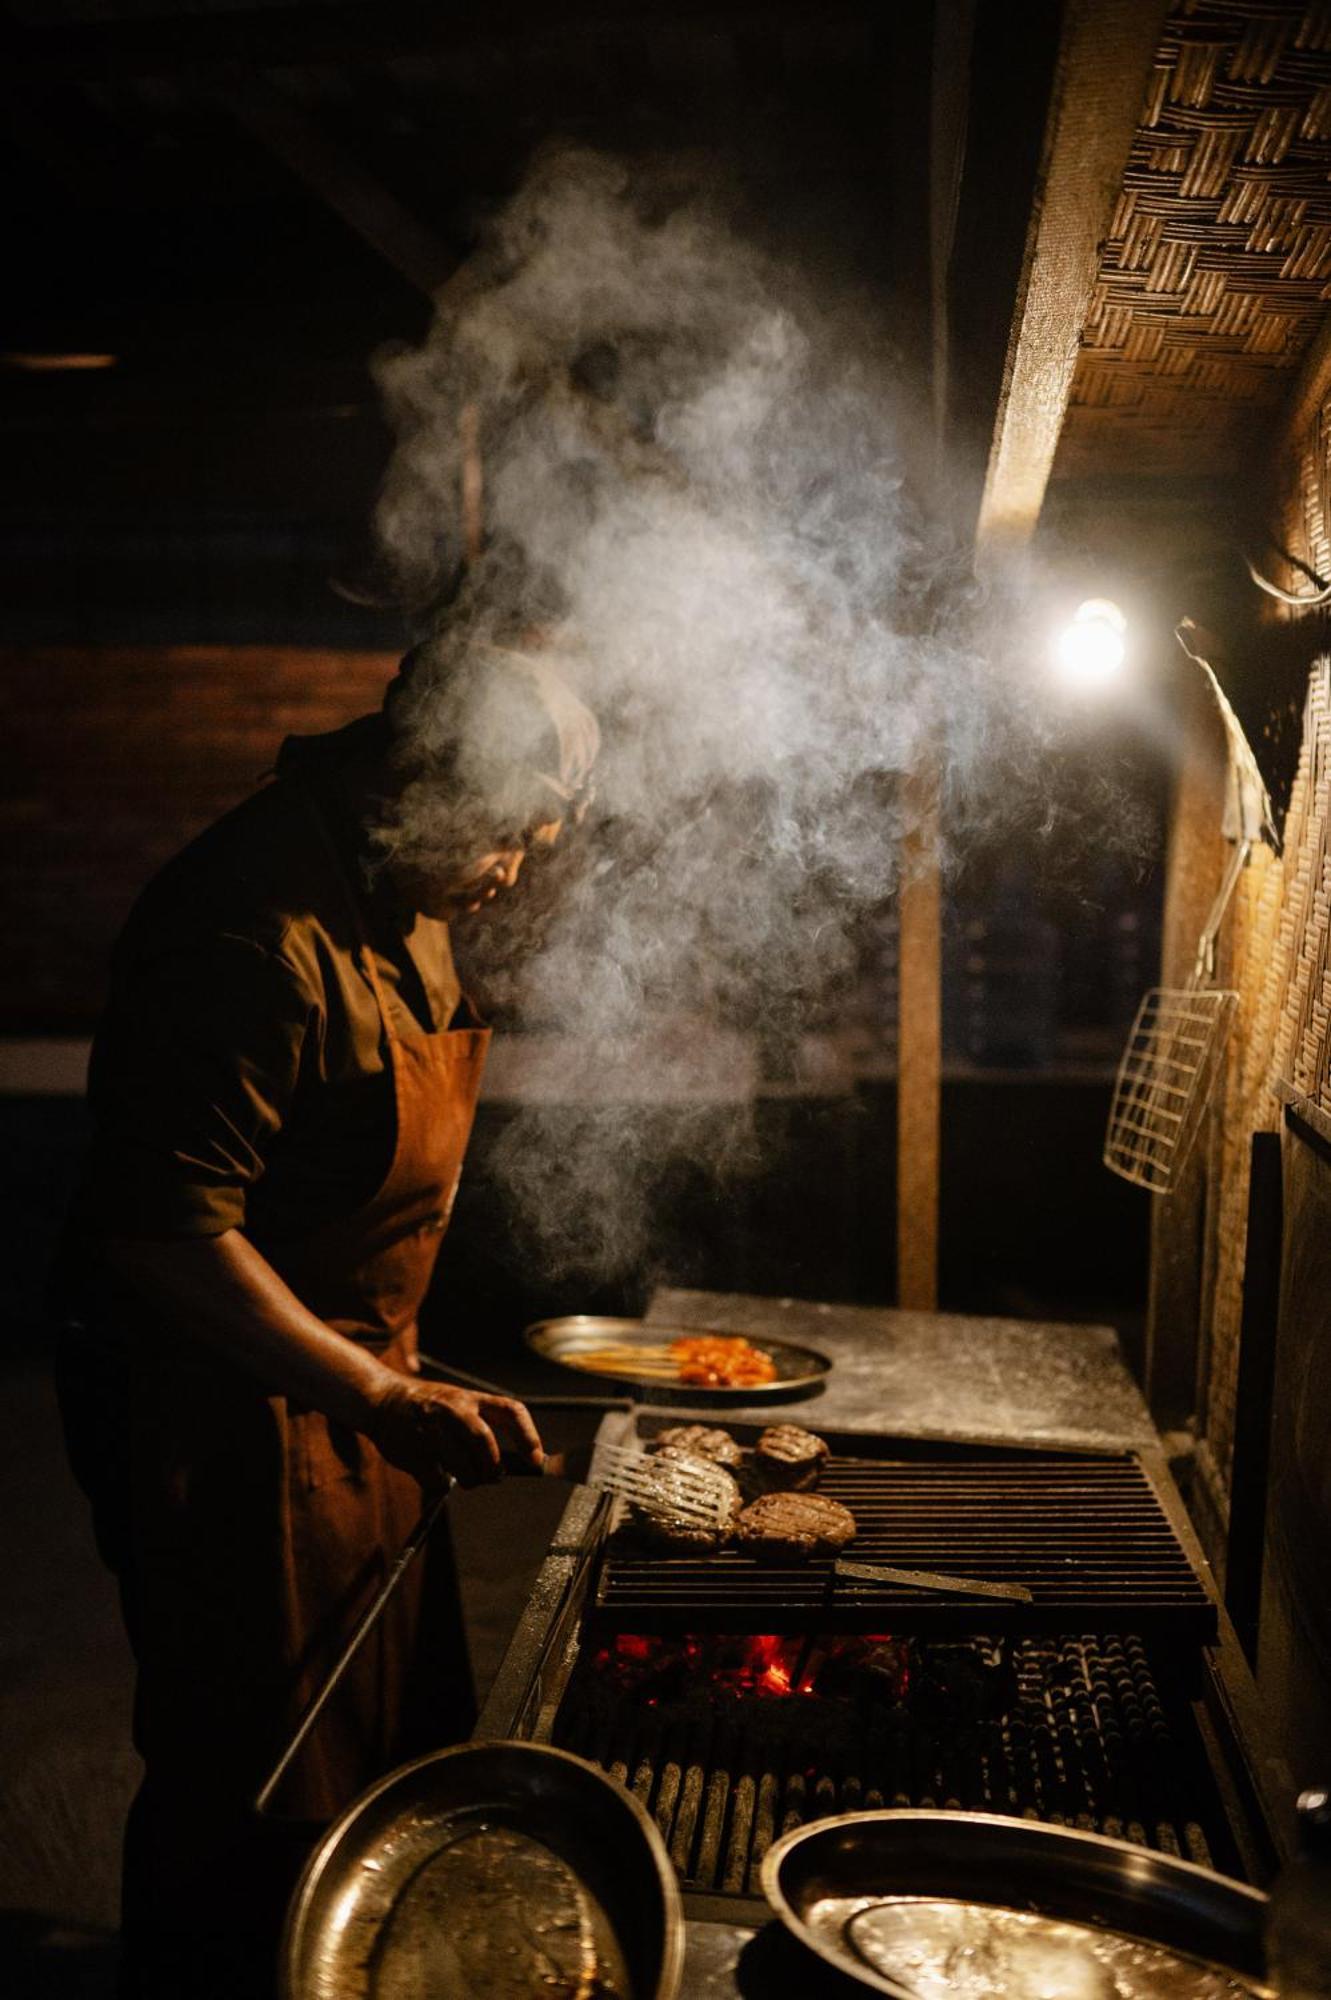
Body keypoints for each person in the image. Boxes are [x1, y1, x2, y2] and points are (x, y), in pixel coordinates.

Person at [51, 628, 599, 1997]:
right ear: (431, 784)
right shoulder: (243, 928)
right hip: (223, 1423)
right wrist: (376, 1393)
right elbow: (164, 1235)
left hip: (365, 1401)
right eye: (510, 840)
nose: (514, 874)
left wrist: (406, 1380)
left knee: (378, 1753)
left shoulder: (404, 888)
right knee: (251, 1785)